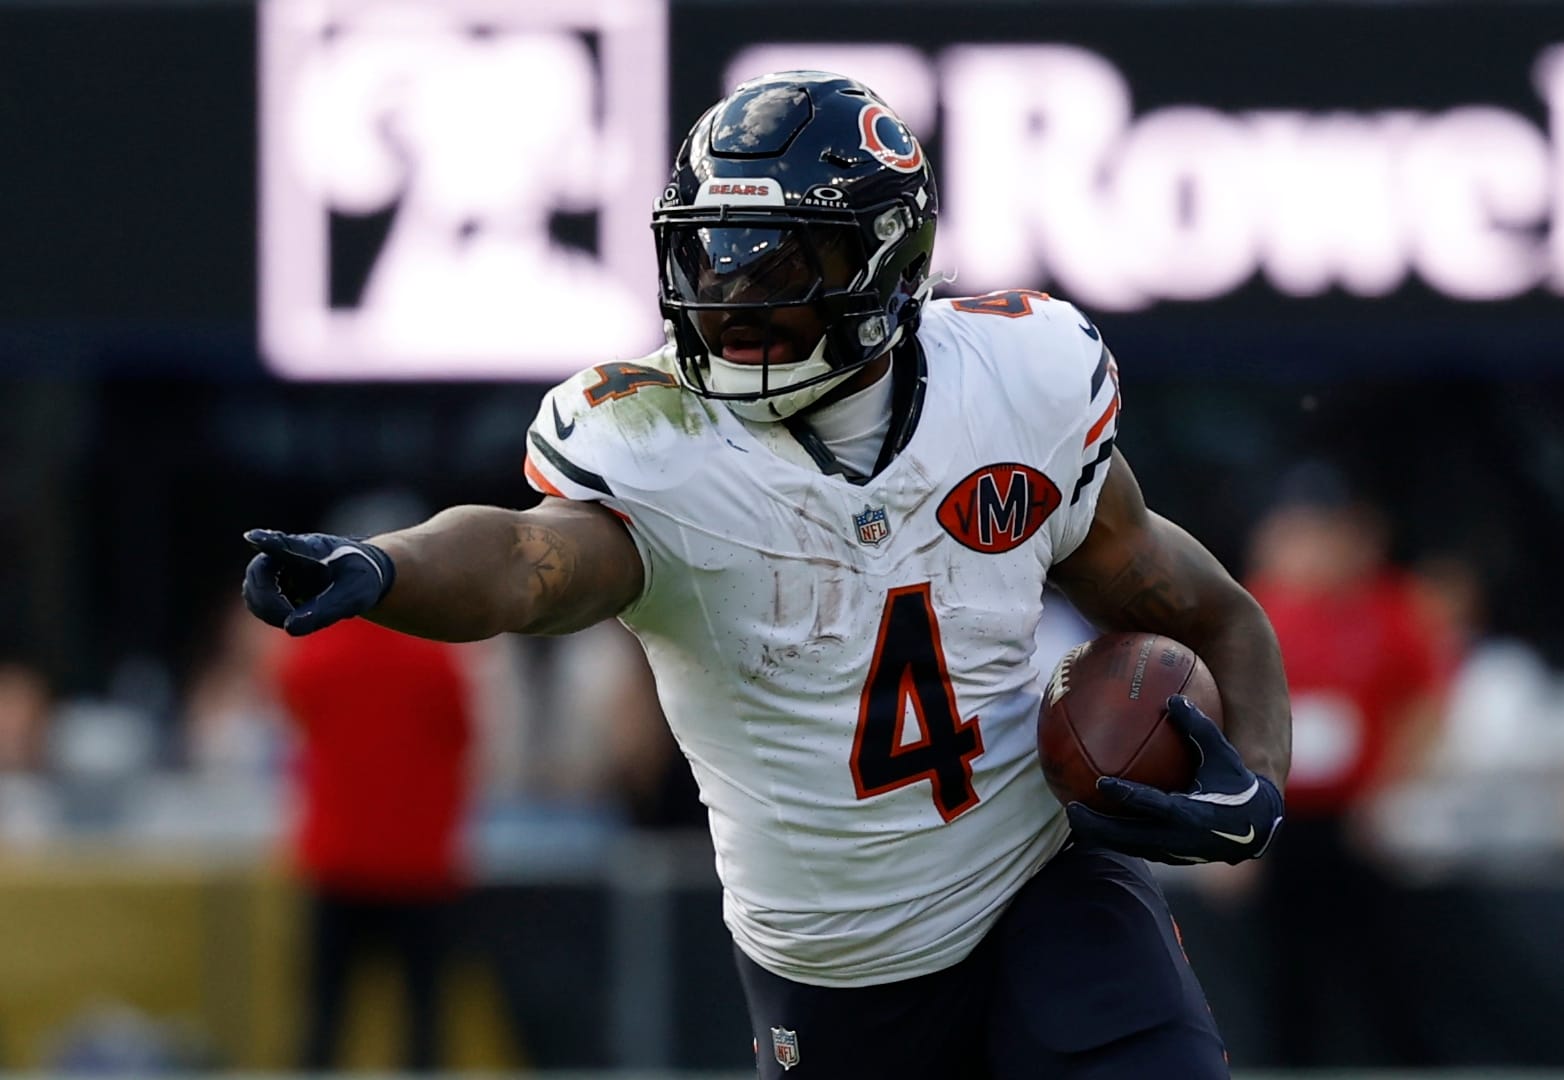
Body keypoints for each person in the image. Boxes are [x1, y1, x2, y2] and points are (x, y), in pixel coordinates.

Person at [242, 71, 1289, 1079]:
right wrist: (386, 566)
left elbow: (1211, 608)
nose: (731, 302)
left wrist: (1261, 777)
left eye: (776, 268)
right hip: (832, 968)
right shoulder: (660, 439)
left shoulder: (1022, 379)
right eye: (711, 262)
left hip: (1041, 886)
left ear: (886, 261)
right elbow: (525, 560)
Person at [1239, 465, 1444, 1066]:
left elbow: (1426, 704)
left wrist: (1390, 790)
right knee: (1288, 973)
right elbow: (1233, 708)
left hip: (1359, 818)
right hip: (1283, 818)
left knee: (1384, 968)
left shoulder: (1391, 607)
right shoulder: (1262, 605)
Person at [272, 589, 474, 1070]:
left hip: (339, 860)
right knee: (423, 1017)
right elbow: (462, 734)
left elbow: (294, 710)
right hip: (417, 863)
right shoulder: (435, 654)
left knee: (324, 1016)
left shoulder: (317, 652)